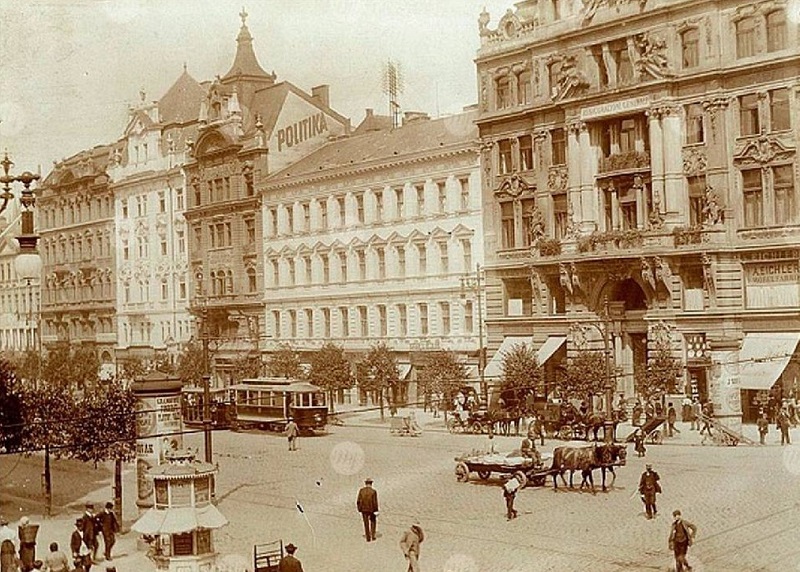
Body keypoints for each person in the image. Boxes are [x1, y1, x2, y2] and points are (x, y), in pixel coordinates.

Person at [356, 478, 379, 542]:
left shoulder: (361, 491)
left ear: (365, 483)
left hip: (363, 509)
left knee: (366, 523)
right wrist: (376, 510)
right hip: (371, 509)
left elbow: (358, 501)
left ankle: (368, 537)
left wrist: (359, 509)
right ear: (371, 483)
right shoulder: (373, 491)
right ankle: (373, 536)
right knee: (373, 522)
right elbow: (375, 502)